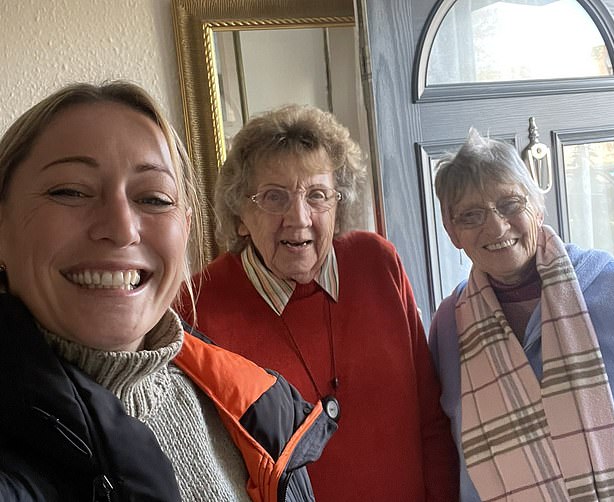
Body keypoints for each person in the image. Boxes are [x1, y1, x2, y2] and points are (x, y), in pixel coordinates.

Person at [0, 81, 337, 502]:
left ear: (186, 230)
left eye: (155, 199)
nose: (122, 229)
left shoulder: (254, 411)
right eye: (70, 191)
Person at [178, 104, 459, 501]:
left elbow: (430, 418)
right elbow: (205, 469)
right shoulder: (196, 307)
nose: (299, 217)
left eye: (317, 195)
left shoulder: (377, 264)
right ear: (240, 214)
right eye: (274, 197)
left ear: (338, 205)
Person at [429, 128, 614, 501]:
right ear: (452, 231)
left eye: (509, 204)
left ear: (537, 206)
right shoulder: (448, 325)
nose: (496, 227)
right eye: (471, 215)